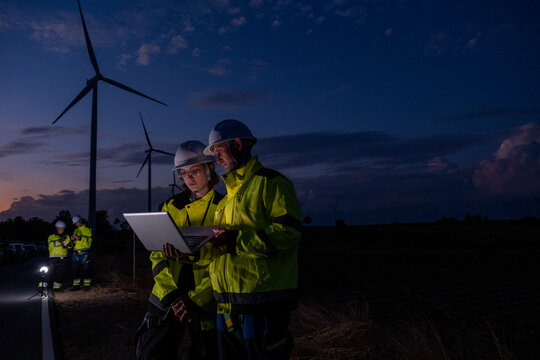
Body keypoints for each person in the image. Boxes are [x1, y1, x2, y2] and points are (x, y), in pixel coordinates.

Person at [203, 119, 302, 359]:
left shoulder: (272, 183)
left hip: (263, 305)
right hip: (226, 306)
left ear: (237, 144)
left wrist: (234, 241)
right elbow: (224, 249)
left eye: (219, 151)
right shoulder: (225, 200)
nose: (217, 160)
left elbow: (288, 234)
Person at [136, 140, 224, 360]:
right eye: (184, 173)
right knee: (151, 355)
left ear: (209, 168)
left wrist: (194, 301)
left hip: (205, 300)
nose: (189, 178)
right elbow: (156, 255)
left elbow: (222, 263)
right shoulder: (170, 206)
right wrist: (172, 296)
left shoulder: (225, 207)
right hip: (166, 299)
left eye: (194, 170)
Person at [40, 220, 72, 290]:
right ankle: (42, 285)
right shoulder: (51, 237)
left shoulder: (66, 236)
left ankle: (56, 287)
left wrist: (65, 241)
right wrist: (62, 240)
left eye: (63, 228)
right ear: (57, 228)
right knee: (49, 271)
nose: (62, 229)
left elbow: (69, 246)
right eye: (61, 228)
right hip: (53, 257)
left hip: (63, 257)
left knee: (60, 272)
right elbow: (51, 245)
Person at [70, 215, 93, 291]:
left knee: (86, 270)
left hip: (84, 253)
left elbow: (89, 242)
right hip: (76, 253)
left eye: (76, 223)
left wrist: (79, 238)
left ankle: (87, 286)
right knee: (75, 269)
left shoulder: (88, 229)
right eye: (75, 223)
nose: (76, 224)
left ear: (80, 221)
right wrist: (72, 239)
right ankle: (76, 286)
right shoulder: (76, 230)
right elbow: (75, 241)